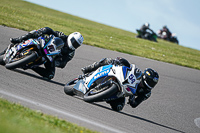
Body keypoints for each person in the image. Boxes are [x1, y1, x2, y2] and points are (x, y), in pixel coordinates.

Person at [0, 27, 84, 80]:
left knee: (50, 75)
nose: (74, 45)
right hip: (43, 44)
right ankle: (19, 39)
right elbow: (50, 31)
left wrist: (54, 61)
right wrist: (46, 31)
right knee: (41, 31)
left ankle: (31, 65)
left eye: (77, 45)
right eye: (74, 42)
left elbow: (63, 64)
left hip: (50, 57)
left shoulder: (71, 53)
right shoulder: (62, 36)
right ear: (70, 37)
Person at [81, 57, 159, 111]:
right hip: (120, 79)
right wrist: (120, 61)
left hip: (121, 93)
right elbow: (129, 66)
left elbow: (134, 104)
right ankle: (89, 69)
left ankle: (100, 95)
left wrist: (131, 97)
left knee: (118, 107)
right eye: (150, 82)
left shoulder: (146, 92)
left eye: (153, 84)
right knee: (108, 61)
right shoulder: (138, 73)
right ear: (145, 77)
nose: (151, 85)